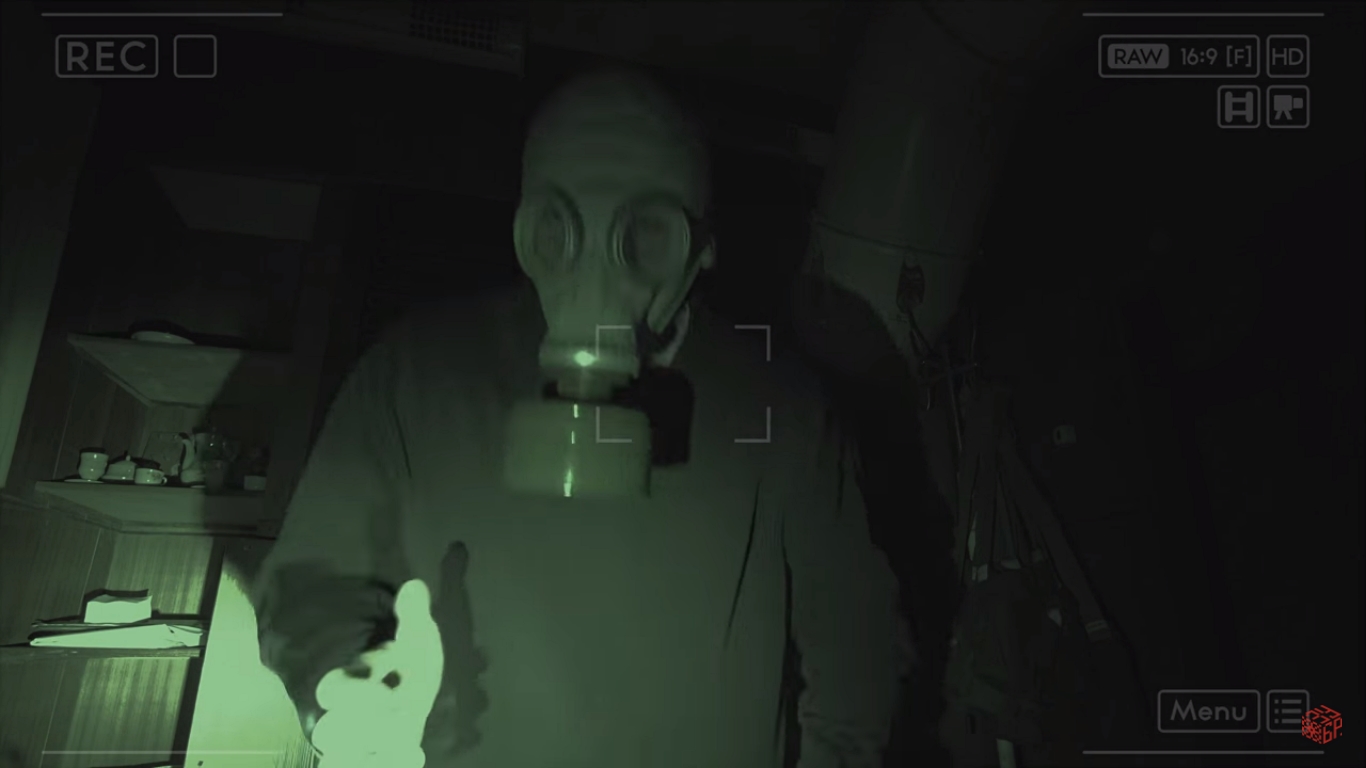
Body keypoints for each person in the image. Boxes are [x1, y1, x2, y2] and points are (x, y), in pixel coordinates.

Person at [251, 68, 910, 768]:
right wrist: (349, 685)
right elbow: (309, 583)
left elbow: (860, 658)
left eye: (643, 236)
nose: (595, 278)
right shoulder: (415, 372)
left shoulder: (781, 406)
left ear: (703, 247)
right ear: (527, 229)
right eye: (560, 231)